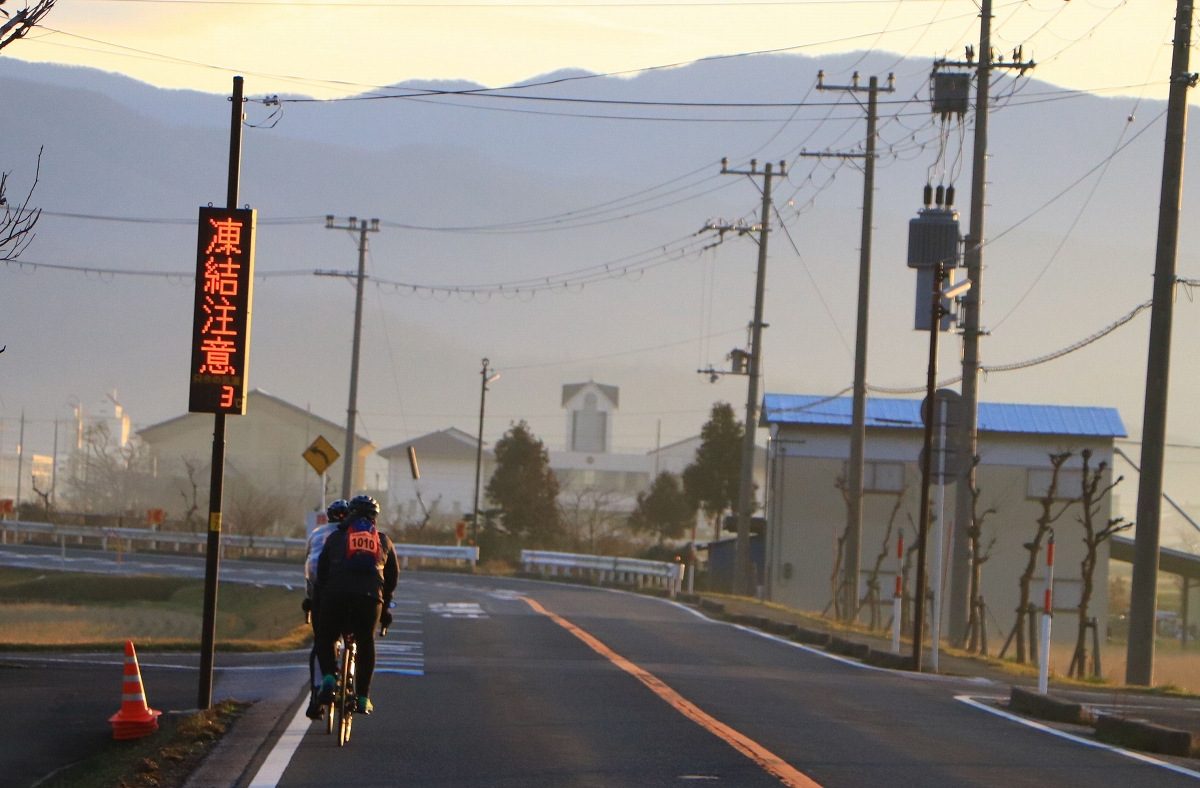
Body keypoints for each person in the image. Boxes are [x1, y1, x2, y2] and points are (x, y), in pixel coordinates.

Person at [314, 494, 398, 715]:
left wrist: (322, 598)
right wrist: (385, 605)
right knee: (366, 643)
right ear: (374, 519)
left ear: (350, 514)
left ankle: (330, 677)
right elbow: (392, 578)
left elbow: (321, 574)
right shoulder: (383, 541)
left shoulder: (335, 537)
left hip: (336, 594)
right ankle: (362, 697)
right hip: (370, 598)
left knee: (326, 636)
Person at [302, 499, 349, 720]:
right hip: (352, 595)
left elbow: (309, 568)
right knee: (352, 636)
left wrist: (309, 599)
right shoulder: (354, 535)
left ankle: (316, 697)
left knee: (321, 643)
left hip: (321, 592)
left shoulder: (317, 535)